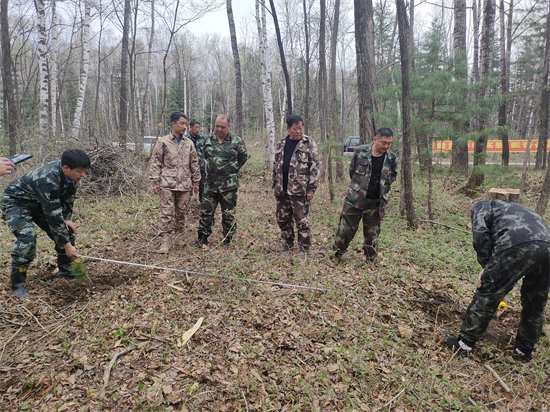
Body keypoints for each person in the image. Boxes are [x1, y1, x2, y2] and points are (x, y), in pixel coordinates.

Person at [446, 200, 550, 362]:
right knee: (536, 302)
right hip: (548, 245)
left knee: (488, 292)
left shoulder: (480, 206)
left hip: (517, 241)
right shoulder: (510, 209)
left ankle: (463, 344)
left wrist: (487, 268)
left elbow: (480, 234)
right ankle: (523, 351)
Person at [0, 149, 90, 299]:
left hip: (39, 204)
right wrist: (67, 246)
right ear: (66, 168)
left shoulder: (71, 177)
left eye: (84, 171)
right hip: (16, 203)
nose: (82, 175)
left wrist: (66, 219)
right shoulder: (48, 179)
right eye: (79, 171)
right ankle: (17, 286)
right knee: (27, 239)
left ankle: (65, 271)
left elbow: (68, 200)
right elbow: (53, 216)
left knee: (66, 231)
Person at [332, 128, 398, 262]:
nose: (386, 146)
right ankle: (336, 256)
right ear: (375, 139)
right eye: (384, 142)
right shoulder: (360, 152)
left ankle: (370, 260)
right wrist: (358, 188)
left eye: (389, 143)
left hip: (376, 203)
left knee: (372, 235)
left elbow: (392, 178)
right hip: (354, 200)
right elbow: (352, 172)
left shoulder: (391, 158)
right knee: (345, 231)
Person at [149, 111, 201, 253]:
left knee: (181, 213)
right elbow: (156, 162)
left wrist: (196, 182)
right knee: (166, 213)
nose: (184, 126)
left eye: (185, 124)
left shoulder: (189, 143)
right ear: (173, 123)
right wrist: (155, 181)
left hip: (184, 185)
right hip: (167, 184)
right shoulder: (163, 142)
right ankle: (164, 241)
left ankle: (178, 237)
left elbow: (194, 163)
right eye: (182, 123)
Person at [194, 114, 248, 248]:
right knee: (206, 212)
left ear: (229, 126)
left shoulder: (237, 141)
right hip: (210, 185)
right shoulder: (208, 140)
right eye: (217, 126)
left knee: (228, 213)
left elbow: (242, 158)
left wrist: (230, 171)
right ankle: (203, 237)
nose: (219, 129)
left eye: (222, 127)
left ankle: (227, 239)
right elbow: (205, 157)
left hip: (228, 186)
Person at [272, 115, 319, 254]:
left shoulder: (309, 143)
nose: (298, 131)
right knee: (282, 218)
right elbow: (276, 165)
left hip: (300, 189)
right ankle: (288, 243)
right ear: (288, 129)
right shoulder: (281, 143)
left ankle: (304, 247)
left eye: (300, 128)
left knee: (301, 219)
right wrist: (274, 184)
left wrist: (311, 189)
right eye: (295, 129)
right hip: (282, 188)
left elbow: (315, 168)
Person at [187, 119, 206, 202]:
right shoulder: (186, 140)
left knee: (203, 187)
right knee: (188, 189)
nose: (197, 129)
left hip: (201, 168)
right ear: (190, 127)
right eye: (196, 127)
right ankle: (186, 205)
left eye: (199, 127)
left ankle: (203, 204)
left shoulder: (202, 139)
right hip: (189, 169)